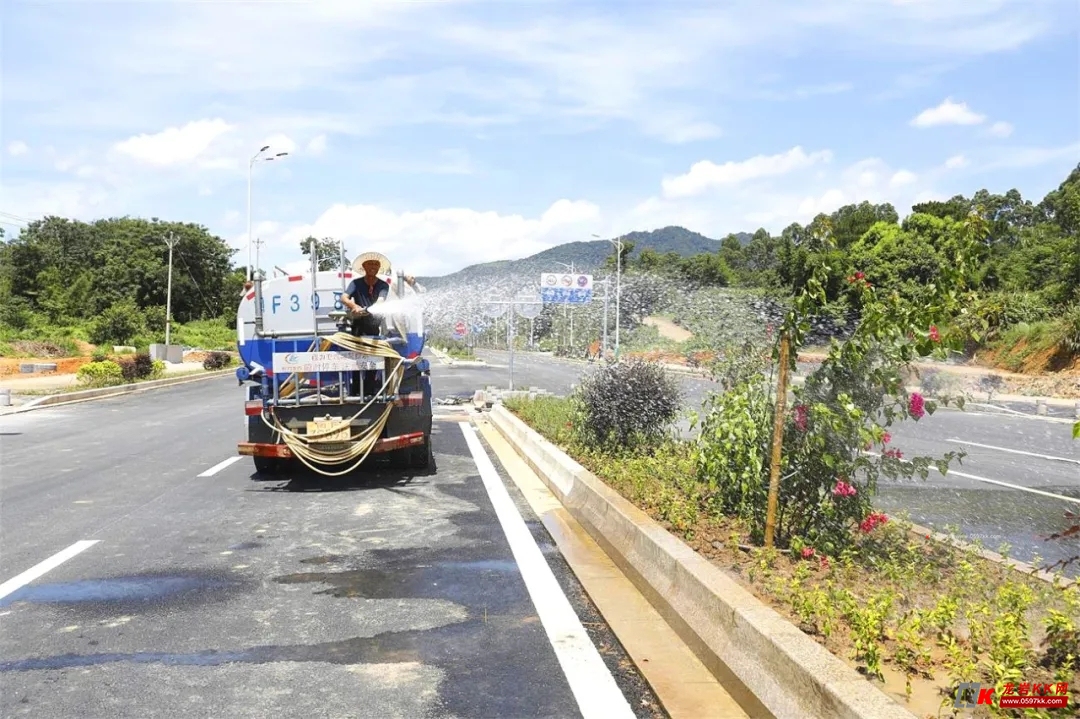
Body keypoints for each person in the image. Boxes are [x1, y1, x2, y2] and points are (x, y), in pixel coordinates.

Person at [342, 256, 391, 396]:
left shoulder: (383, 285)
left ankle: (369, 392)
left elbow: (381, 300)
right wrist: (354, 306)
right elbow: (344, 297)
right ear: (364, 267)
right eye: (370, 264)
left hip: (373, 327)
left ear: (378, 268)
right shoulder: (356, 283)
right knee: (356, 360)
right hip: (358, 326)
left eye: (376, 264)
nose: (373, 267)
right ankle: (355, 392)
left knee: (373, 360)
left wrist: (371, 309)